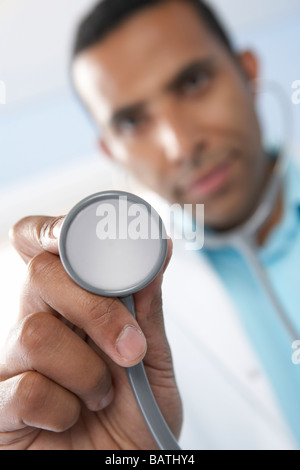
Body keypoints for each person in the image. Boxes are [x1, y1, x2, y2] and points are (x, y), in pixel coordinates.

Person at [0, 0, 299, 450]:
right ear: (110, 150)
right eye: (132, 121)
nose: (180, 144)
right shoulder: (94, 318)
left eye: (194, 82)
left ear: (248, 71)